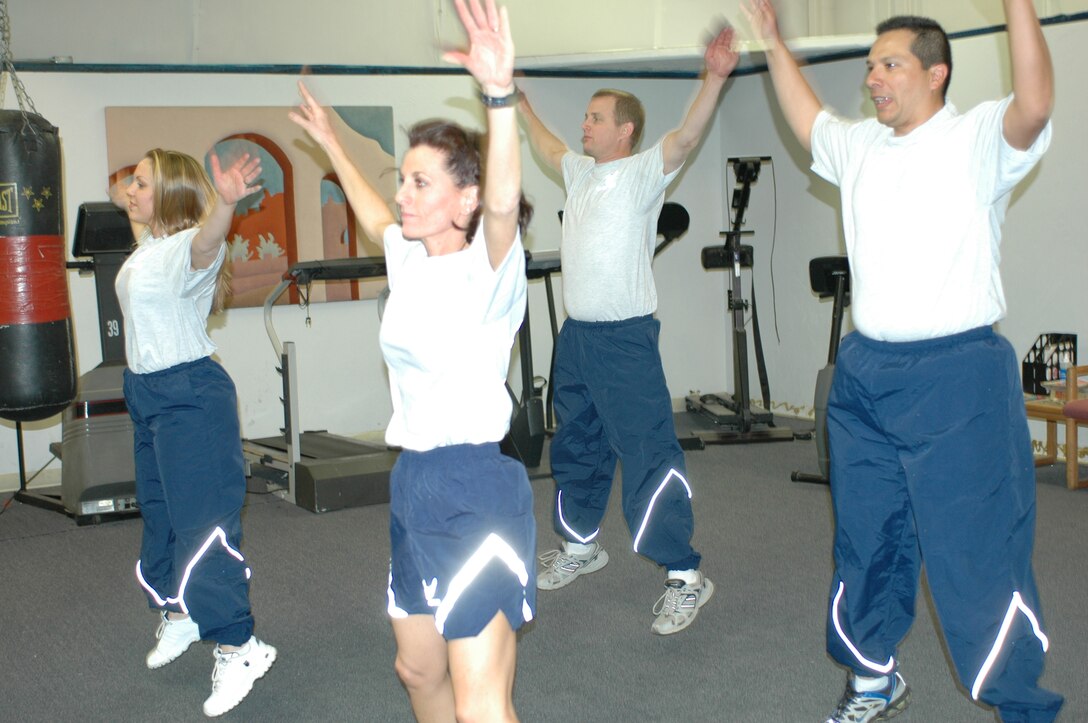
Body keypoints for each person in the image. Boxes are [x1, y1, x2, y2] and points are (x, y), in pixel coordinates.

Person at [742, 1, 1062, 720]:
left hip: (959, 376)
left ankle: (1021, 703)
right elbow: (806, 119)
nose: (873, 79)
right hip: (865, 375)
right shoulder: (858, 146)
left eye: (890, 65)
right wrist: (770, 40)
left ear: (936, 73)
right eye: (870, 67)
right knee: (866, 537)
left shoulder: (977, 135)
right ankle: (872, 676)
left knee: (978, 553)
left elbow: (1035, 105)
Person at [289, 0, 534, 719]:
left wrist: (499, 95)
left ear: (465, 197)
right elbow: (374, 214)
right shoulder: (411, 259)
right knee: (416, 670)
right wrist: (331, 141)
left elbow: (506, 198)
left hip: (475, 489)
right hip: (414, 482)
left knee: (479, 699)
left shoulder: (490, 269)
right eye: (406, 178)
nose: (404, 193)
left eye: (421, 182)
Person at [518, 26, 739, 635]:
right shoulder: (580, 175)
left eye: (596, 119)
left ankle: (684, 575)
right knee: (577, 447)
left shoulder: (644, 174)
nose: (585, 127)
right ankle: (582, 545)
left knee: (647, 452)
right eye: (585, 119)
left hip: (625, 338)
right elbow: (545, 142)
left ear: (626, 131)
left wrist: (714, 77)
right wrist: (513, 98)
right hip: (579, 340)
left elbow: (689, 134)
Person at [116, 147, 276, 718]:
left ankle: (240, 645)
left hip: (190, 397)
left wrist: (224, 203)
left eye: (141, 182)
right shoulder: (147, 251)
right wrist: (143, 194)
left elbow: (208, 241)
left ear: (171, 196)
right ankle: (181, 613)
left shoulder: (187, 250)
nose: (130, 190)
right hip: (147, 394)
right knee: (161, 516)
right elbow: (140, 212)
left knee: (204, 525)